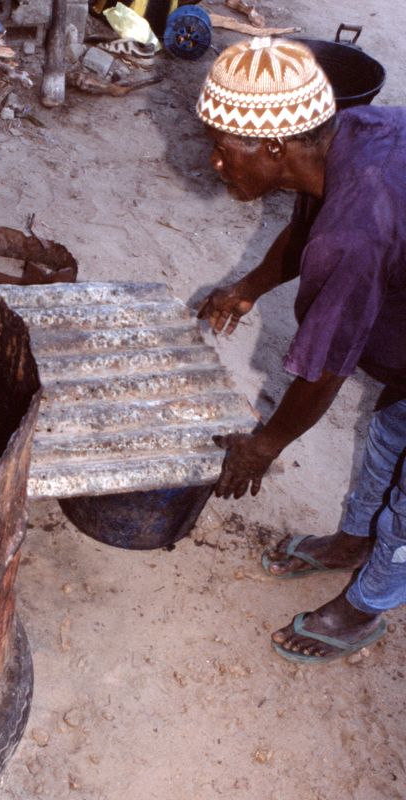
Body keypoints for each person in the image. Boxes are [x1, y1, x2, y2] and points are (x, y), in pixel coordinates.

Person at [194, 36, 406, 663]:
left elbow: (325, 369)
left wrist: (263, 445)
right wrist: (248, 288)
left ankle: (367, 605)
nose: (214, 163)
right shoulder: (349, 137)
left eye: (224, 148)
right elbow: (309, 218)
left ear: (274, 147)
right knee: (391, 437)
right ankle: (352, 541)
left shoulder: (356, 230)